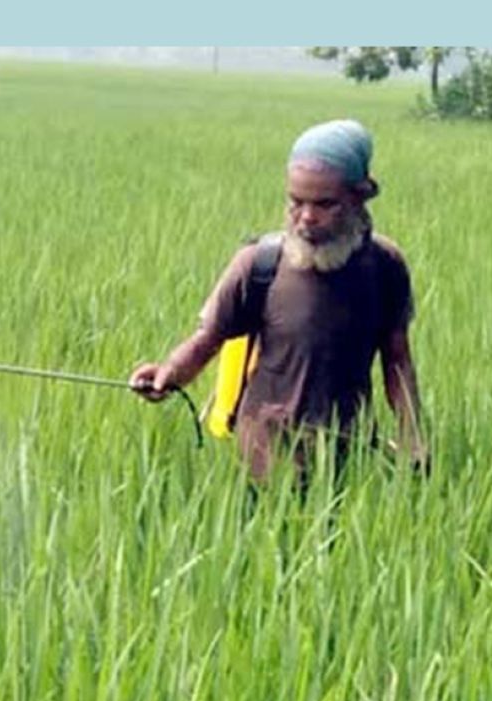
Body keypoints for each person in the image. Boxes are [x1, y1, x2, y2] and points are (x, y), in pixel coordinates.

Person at [130, 119, 428, 489]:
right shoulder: (260, 264)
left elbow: (397, 359)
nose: (306, 217)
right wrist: (168, 374)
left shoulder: (384, 266)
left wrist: (413, 437)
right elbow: (208, 338)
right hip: (260, 465)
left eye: (325, 204)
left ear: (359, 196)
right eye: (296, 201)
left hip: (348, 460)